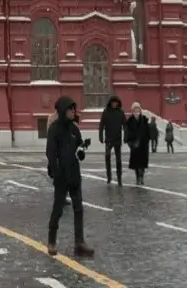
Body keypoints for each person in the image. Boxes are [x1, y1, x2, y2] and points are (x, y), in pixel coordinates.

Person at [45, 95, 94, 259]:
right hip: (61, 177)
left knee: (78, 208)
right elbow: (50, 153)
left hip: (74, 175)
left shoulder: (74, 129)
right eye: (70, 109)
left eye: (74, 109)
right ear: (63, 110)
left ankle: (79, 243)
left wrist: (82, 149)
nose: (73, 111)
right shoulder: (54, 129)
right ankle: (51, 241)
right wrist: (56, 172)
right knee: (58, 209)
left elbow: (79, 151)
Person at [98, 95, 125, 185]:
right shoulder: (106, 112)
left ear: (118, 103)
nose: (114, 104)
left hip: (117, 139)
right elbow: (101, 125)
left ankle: (119, 178)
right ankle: (109, 176)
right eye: (113, 102)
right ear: (110, 103)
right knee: (107, 157)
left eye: (115, 102)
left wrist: (126, 136)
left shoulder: (121, 112)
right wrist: (100, 136)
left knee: (118, 160)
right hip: (109, 139)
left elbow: (125, 125)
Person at [124, 104, 149, 185]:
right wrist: (130, 143)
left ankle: (141, 177)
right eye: (135, 110)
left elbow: (148, 132)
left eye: (138, 110)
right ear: (132, 111)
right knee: (136, 164)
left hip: (143, 145)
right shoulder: (130, 122)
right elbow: (127, 133)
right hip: (134, 145)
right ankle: (137, 178)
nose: (137, 112)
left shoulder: (144, 120)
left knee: (142, 163)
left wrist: (147, 139)